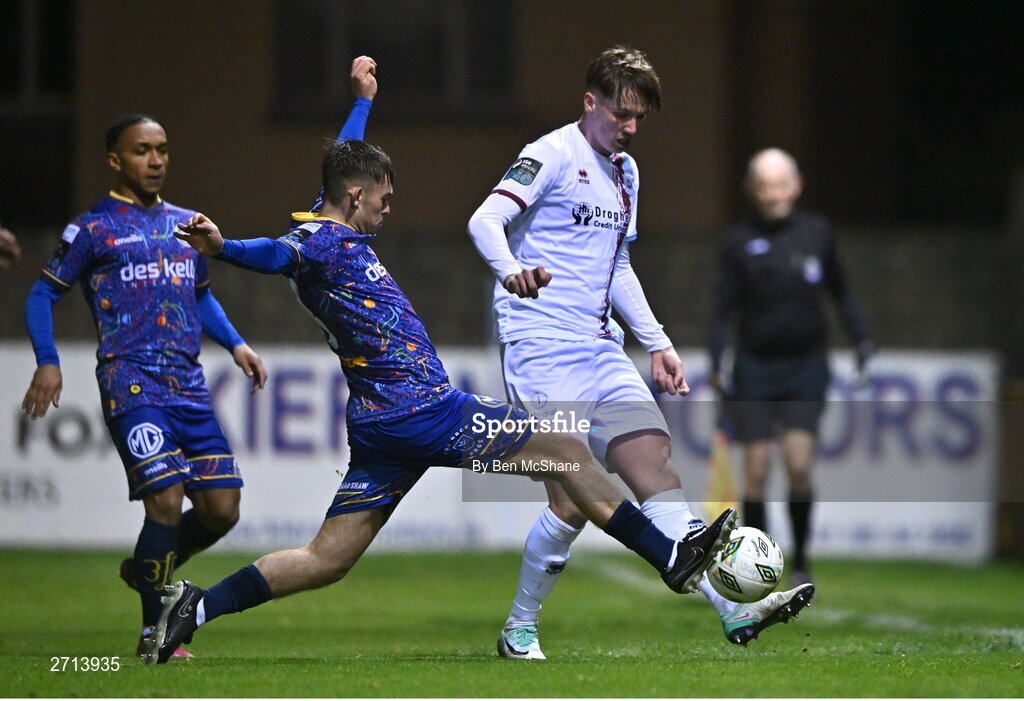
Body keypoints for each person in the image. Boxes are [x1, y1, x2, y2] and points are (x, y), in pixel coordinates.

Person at [145, 57, 736, 665]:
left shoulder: (327, 217)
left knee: (327, 558)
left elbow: (343, 160)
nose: (388, 209)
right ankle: (670, 557)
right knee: (566, 451)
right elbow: (271, 253)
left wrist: (362, 101)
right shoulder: (313, 243)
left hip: (381, 426)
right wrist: (224, 248)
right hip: (422, 410)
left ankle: (196, 607)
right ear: (355, 198)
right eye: (383, 199)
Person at [467, 46, 815, 659]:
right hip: (541, 346)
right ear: (590, 102)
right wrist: (511, 270)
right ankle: (520, 627)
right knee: (570, 499)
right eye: (621, 115)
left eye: (639, 119)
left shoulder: (626, 172)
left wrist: (657, 341)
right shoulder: (550, 154)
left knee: (656, 467)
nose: (629, 129)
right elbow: (484, 222)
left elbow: (618, 261)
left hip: (602, 349)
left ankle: (735, 610)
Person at [21, 108, 268, 659]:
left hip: (188, 384)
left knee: (222, 509)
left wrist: (237, 344)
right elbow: (41, 294)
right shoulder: (90, 230)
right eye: (141, 150)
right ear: (115, 160)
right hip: (130, 381)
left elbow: (199, 295)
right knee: (165, 498)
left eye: (161, 149)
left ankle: (146, 570)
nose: (155, 160)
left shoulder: (187, 224)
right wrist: (48, 359)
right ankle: (153, 633)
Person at [709, 148, 873, 585]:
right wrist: (716, 359)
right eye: (766, 185)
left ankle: (800, 559)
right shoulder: (739, 241)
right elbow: (724, 307)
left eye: (782, 184)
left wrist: (861, 339)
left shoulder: (817, 233)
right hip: (755, 368)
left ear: (796, 186)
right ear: (752, 190)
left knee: (799, 465)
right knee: (757, 471)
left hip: (805, 366)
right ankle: (762, 566)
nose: (774, 194)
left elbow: (842, 291)